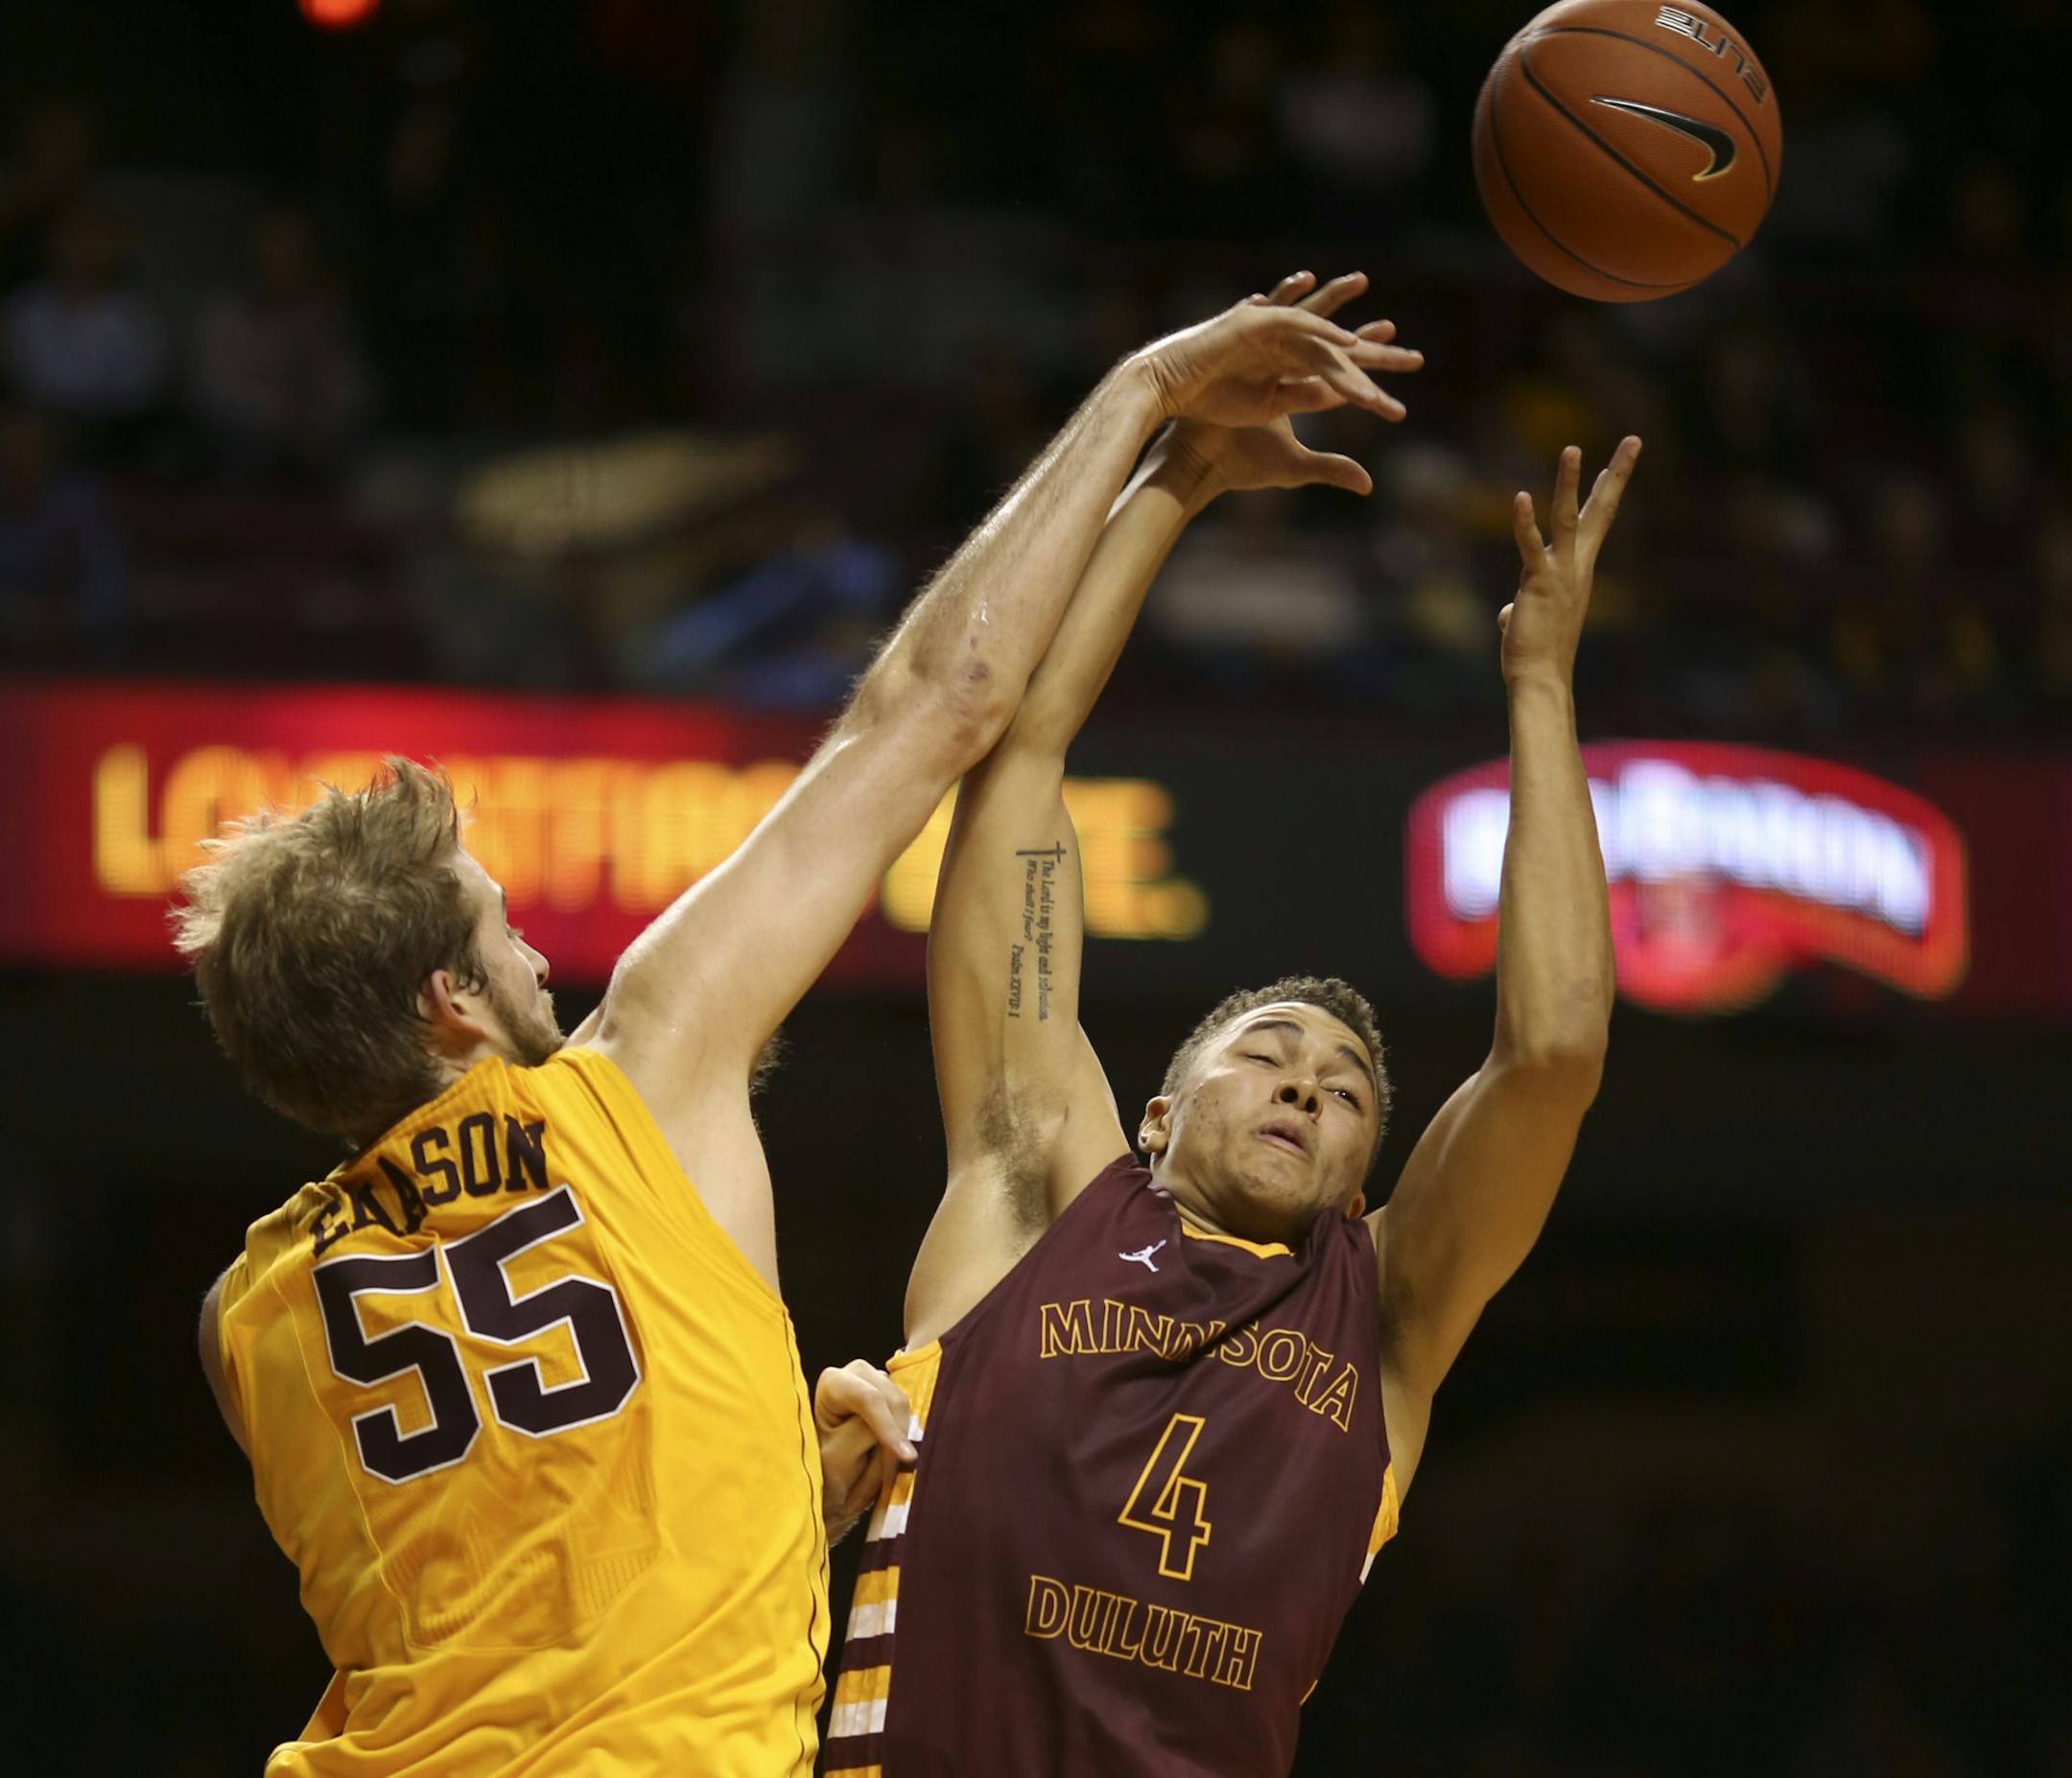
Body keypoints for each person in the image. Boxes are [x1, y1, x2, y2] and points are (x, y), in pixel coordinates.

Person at [179, 279, 1407, 1776]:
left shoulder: (247, 1319)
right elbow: (937, 699)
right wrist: (1147, 389)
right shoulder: (635, 1080)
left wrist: (770, 1478)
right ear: (448, 1004)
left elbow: (517, 1544)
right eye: (497, 927)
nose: (536, 954)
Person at [825, 271, 1639, 1776]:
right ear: (1152, 1110)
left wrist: (1538, 682)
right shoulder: (1038, 1185)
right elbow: (1021, 770)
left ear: (1358, 1173)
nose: (1307, 1086)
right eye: (1265, 1053)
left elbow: (1558, 1051)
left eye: (1343, 1092)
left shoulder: (1383, 1316)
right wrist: (1178, 476)